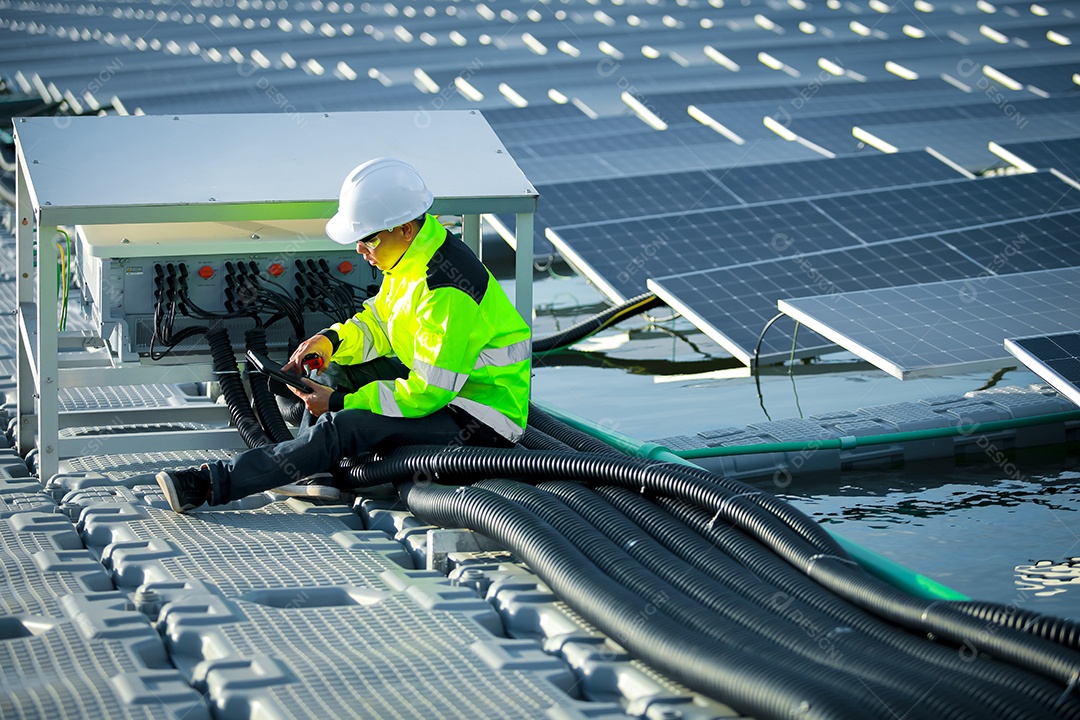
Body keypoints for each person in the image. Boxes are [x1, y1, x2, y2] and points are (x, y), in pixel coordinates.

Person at [156, 157, 532, 512]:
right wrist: (331, 342)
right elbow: (381, 325)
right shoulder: (413, 254)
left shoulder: (444, 287)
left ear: (403, 229)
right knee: (327, 370)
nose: (359, 249)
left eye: (368, 238)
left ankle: (210, 484)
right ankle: (315, 469)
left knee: (345, 425)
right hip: (446, 394)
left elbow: (428, 393)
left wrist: (338, 403)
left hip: (477, 421)